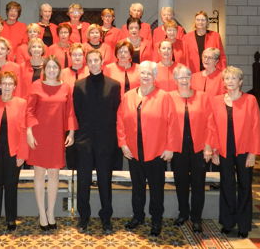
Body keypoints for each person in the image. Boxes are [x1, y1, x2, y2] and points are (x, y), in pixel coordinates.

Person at [117, 61, 175, 237]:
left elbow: (173, 123)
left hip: (157, 152)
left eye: (149, 73)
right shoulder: (128, 96)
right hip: (134, 152)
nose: (145, 76)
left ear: (155, 76)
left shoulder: (164, 96)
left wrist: (170, 147)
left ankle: (156, 221)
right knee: (137, 188)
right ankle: (138, 216)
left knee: (156, 190)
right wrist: (123, 143)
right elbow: (120, 121)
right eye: (142, 73)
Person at [211, 66, 260, 239]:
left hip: (245, 149)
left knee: (244, 185)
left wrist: (253, 153)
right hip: (224, 149)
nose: (230, 82)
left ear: (240, 82)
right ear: (223, 82)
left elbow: (256, 127)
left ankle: (243, 224)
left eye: (234, 78)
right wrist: (214, 151)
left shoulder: (250, 100)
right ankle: (227, 222)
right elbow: (211, 128)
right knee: (226, 185)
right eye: (227, 79)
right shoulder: (216, 100)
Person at [26, 56, 77, 230]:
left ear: (59, 69)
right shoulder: (36, 86)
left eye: (55, 67)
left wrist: (70, 132)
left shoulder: (65, 87)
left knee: (54, 175)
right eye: (49, 67)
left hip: (56, 135)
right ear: (44, 69)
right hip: (39, 135)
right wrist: (29, 132)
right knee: (39, 174)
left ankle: (51, 213)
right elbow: (29, 111)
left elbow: (70, 111)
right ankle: (42, 213)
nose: (52, 70)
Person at [73, 50, 121, 233]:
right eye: (90, 61)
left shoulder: (114, 85)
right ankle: (83, 217)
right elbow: (77, 112)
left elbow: (116, 113)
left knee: (104, 181)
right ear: (86, 63)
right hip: (84, 141)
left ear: (102, 62)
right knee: (83, 181)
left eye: (96, 60)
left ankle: (106, 218)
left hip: (106, 141)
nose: (93, 63)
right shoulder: (79, 85)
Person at [169, 64, 216, 234]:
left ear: (191, 78)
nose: (184, 80)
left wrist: (209, 147)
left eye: (187, 77)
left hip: (199, 149)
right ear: (175, 79)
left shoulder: (203, 97)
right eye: (180, 77)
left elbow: (211, 124)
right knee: (181, 183)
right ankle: (183, 213)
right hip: (178, 149)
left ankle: (196, 218)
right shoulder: (169, 97)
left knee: (198, 185)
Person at [0, 72, 28, 231]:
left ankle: (11, 217)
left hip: (13, 151)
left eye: (10, 84)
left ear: (15, 86)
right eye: (4, 83)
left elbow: (24, 130)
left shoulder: (22, 103)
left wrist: (22, 154)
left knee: (11, 185)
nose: (7, 87)